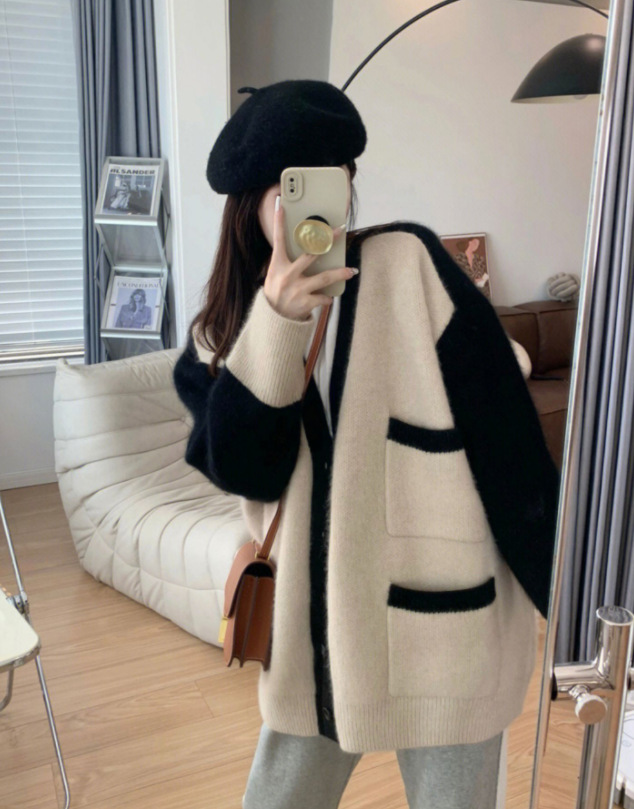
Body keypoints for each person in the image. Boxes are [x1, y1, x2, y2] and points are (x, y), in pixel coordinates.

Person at [171, 79, 560, 809]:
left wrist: (579, 613)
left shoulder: (414, 270)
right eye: (295, 185)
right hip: (312, 645)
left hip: (446, 636)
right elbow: (247, 469)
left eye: (338, 176)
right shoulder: (219, 336)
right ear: (253, 202)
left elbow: (512, 455)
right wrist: (277, 323)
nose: (323, 200)